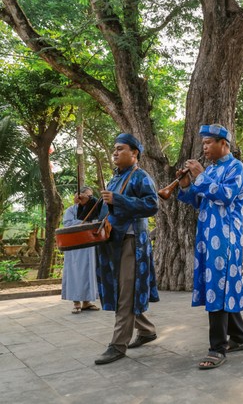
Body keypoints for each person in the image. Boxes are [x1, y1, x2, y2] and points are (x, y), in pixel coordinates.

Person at [178, 124, 243, 369]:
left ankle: (217, 348)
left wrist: (200, 176)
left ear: (224, 144)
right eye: (204, 143)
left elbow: (225, 196)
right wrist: (185, 185)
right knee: (219, 284)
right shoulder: (210, 169)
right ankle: (239, 337)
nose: (205, 147)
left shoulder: (237, 168)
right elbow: (199, 201)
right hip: (208, 236)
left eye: (209, 143)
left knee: (218, 285)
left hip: (226, 237)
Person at [94, 133, 159, 365]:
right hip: (112, 242)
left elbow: (152, 205)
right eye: (114, 148)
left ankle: (118, 345)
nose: (115, 152)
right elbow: (107, 208)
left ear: (134, 153)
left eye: (120, 148)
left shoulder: (141, 176)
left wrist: (119, 200)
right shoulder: (115, 179)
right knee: (123, 290)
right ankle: (147, 330)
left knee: (125, 293)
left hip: (132, 243)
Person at [61, 186, 100, 314]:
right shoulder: (71, 210)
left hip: (89, 246)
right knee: (75, 273)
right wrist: (83, 222)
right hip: (75, 247)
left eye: (90, 197)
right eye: (85, 196)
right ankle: (76, 303)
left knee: (88, 273)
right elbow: (67, 224)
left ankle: (87, 302)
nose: (88, 199)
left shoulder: (94, 209)